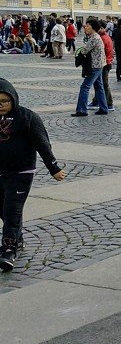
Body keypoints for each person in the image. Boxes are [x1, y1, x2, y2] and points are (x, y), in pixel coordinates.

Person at [0, 79, 67, 272]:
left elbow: (42, 144)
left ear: (13, 99)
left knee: (12, 209)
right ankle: (16, 239)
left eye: (5, 101)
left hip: (21, 172)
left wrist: (53, 167)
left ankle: (9, 249)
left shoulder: (27, 118)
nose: (2, 105)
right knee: (3, 210)